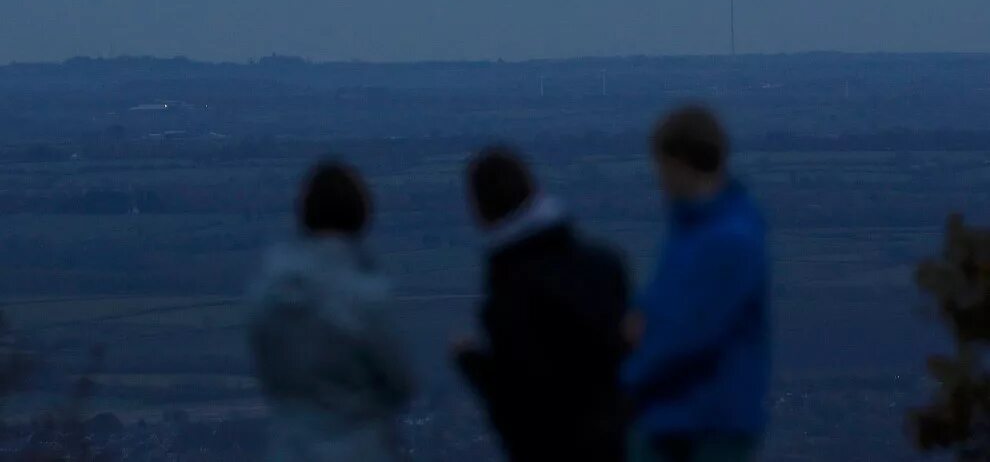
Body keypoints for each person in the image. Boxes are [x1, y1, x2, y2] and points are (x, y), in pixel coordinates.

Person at [454, 147, 629, 462]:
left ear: (480, 211)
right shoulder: (604, 264)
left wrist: (474, 365)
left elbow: (522, 408)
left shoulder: (509, 296)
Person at [622, 106, 770, 462]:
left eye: (662, 167)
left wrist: (627, 378)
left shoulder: (728, 239)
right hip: (672, 417)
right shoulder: (692, 229)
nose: (660, 180)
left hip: (709, 423)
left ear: (681, 163)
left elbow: (691, 332)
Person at [248, 161, 414, 462]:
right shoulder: (365, 296)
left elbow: (265, 368)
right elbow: (400, 382)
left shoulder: (267, 294)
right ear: (360, 217)